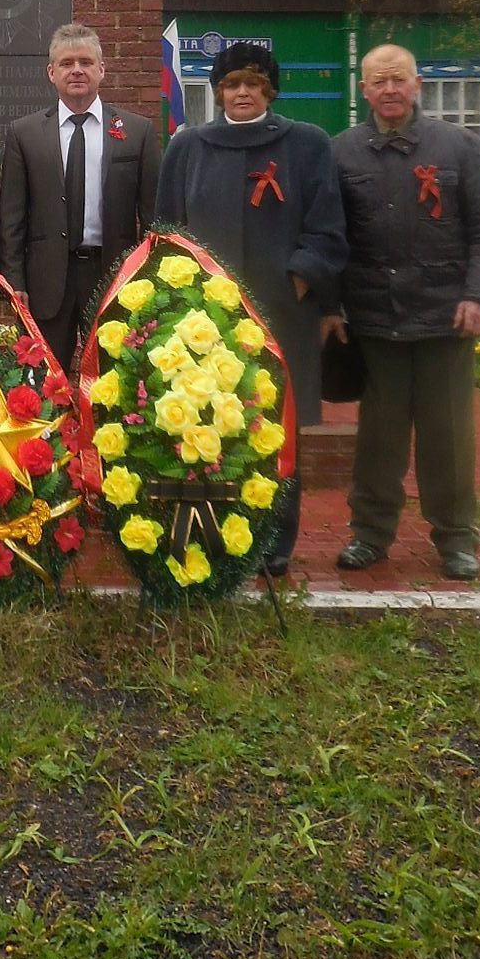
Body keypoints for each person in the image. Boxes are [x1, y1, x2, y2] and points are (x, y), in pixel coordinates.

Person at [155, 39, 347, 575]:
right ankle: (212, 531)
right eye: (232, 85)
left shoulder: (306, 145)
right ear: (219, 93)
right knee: (206, 423)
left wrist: (300, 281)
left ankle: (274, 543)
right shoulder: (187, 148)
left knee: (273, 428)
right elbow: (165, 229)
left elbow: (328, 227)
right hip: (203, 320)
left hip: (281, 313)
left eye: (253, 85)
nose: (242, 93)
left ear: (270, 91)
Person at [329, 43, 480, 581]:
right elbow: (328, 236)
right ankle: (370, 534)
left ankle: (456, 538)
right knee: (378, 438)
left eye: (399, 80)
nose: (389, 89)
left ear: (417, 86)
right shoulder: (342, 154)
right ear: (363, 90)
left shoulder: (458, 148)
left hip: (444, 320)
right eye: (378, 81)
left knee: (447, 437)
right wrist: (332, 306)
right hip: (374, 321)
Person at [0, 23, 160, 374]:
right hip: (45, 282)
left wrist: (150, 278)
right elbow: (11, 218)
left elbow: (152, 218)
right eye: (67, 63)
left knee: (113, 380)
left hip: (113, 278)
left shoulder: (137, 132)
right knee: (42, 382)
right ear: (51, 72)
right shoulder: (24, 134)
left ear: (102, 69)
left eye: (86, 62)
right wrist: (14, 283)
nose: (77, 70)